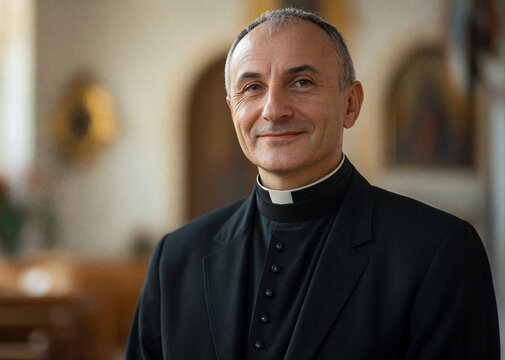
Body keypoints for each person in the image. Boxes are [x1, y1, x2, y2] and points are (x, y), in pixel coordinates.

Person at [126, 7, 500, 360]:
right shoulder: (175, 259)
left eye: (301, 82)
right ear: (232, 111)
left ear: (350, 104)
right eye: (252, 87)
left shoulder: (439, 253)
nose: (274, 109)